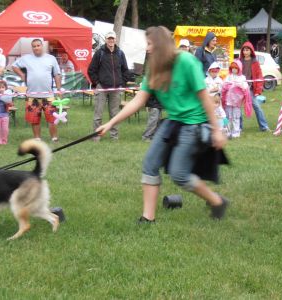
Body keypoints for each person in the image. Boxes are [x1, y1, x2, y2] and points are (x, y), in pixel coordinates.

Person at [96, 26, 229, 222]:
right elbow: (138, 100)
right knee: (150, 164)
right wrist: (110, 123)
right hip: (173, 122)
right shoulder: (154, 69)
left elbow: (205, 98)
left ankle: (217, 201)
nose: (148, 49)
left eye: (150, 44)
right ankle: (148, 217)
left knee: (179, 174)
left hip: (193, 124)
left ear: (160, 44)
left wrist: (216, 130)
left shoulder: (186, 61)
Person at [12, 39, 62, 142]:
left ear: (42, 45)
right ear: (32, 47)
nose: (36, 48)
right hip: (32, 95)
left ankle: (54, 138)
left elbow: (57, 74)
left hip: (48, 95)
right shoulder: (26, 58)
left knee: (52, 118)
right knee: (34, 119)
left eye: (38, 45)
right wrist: (22, 75)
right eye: (34, 46)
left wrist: (58, 89)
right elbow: (14, 66)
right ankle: (37, 138)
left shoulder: (51, 58)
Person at [88, 31, 130, 141]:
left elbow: (125, 70)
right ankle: (96, 137)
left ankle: (114, 137)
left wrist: (122, 83)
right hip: (102, 88)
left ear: (115, 40)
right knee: (98, 114)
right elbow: (91, 70)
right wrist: (97, 83)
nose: (111, 41)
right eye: (109, 39)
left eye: (112, 39)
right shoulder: (99, 53)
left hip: (116, 89)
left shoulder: (120, 53)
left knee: (114, 115)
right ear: (106, 40)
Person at [239, 41, 270, 131]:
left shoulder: (255, 62)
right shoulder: (239, 61)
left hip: (250, 89)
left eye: (247, 50)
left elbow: (259, 76)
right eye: (244, 50)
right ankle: (239, 127)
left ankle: (264, 127)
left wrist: (258, 91)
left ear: (251, 51)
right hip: (240, 88)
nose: (245, 52)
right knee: (238, 108)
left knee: (257, 107)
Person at [222, 59, 251, 138]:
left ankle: (236, 132)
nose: (234, 70)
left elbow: (245, 87)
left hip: (237, 101)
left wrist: (238, 85)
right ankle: (228, 131)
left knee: (236, 116)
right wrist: (228, 86)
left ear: (239, 69)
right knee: (228, 116)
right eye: (232, 68)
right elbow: (223, 86)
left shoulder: (242, 78)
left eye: (236, 68)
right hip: (228, 100)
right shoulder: (228, 77)